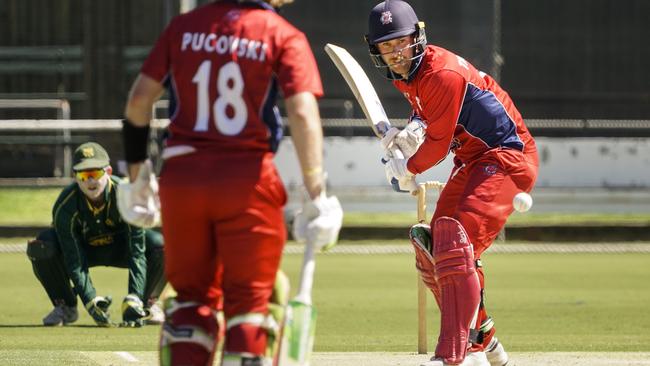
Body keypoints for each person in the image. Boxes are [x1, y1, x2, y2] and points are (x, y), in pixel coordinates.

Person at [117, 0, 343, 365]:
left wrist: (136, 178)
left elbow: (139, 100)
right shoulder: (283, 34)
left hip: (182, 179)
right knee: (250, 307)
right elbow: (301, 113)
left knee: (191, 302)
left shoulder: (182, 27)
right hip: (247, 181)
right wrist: (317, 193)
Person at [366, 1, 539, 366]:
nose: (395, 53)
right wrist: (411, 130)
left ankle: (459, 354)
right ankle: (484, 338)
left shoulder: (441, 72)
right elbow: (428, 114)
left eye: (401, 42)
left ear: (418, 37)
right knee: (433, 246)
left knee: (455, 241)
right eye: (386, 46)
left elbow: (439, 144)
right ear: (376, 50)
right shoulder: (407, 78)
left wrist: (407, 167)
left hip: (506, 156)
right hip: (474, 160)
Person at [26, 142, 167, 327]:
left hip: (121, 249)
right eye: (83, 175)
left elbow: (137, 252)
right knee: (42, 245)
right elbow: (73, 258)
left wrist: (135, 297)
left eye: (95, 174)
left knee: (163, 245)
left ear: (108, 172)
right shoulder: (65, 206)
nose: (90, 181)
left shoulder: (128, 196)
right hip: (84, 251)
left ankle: (147, 304)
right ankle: (65, 306)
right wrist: (91, 301)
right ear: (75, 177)